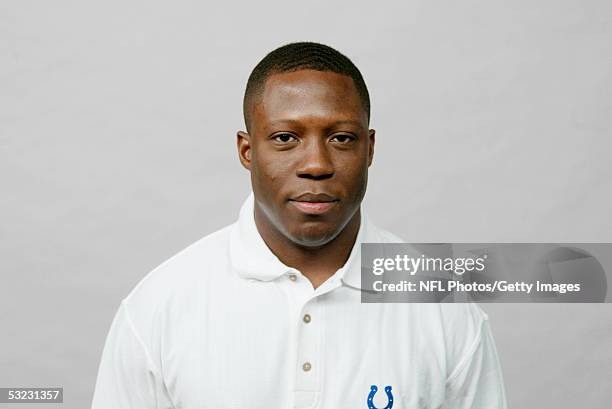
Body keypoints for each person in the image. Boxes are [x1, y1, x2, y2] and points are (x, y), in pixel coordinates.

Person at [91, 42, 507, 409]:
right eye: (286, 138)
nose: (316, 165)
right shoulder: (160, 307)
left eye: (341, 138)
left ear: (370, 149)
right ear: (247, 150)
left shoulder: (443, 310)